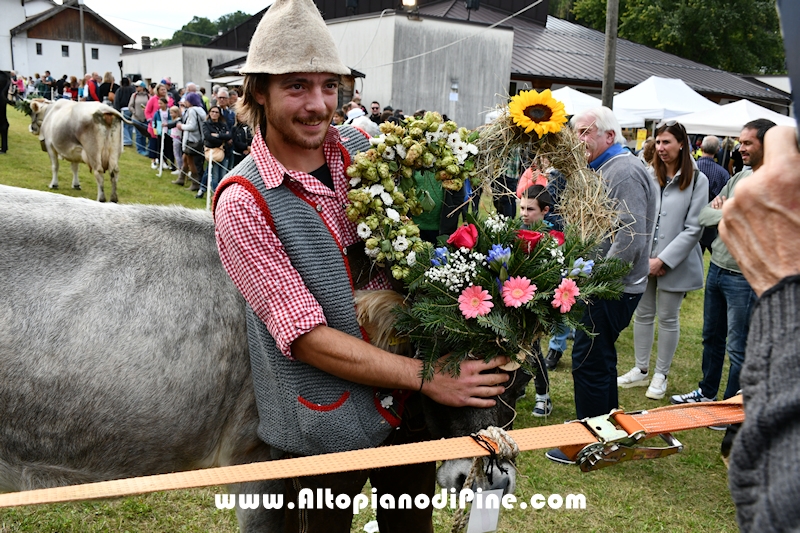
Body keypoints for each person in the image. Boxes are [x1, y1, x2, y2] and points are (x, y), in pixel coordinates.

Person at [212, 0, 510, 530]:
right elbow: (306, 336)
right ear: (258, 91)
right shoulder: (242, 200)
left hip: (409, 412)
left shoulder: (361, 149)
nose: (318, 104)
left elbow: (423, 249)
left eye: (329, 86)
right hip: (323, 420)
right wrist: (430, 377)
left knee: (411, 526)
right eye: (296, 86)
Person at [546, 106, 657, 464]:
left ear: (609, 136)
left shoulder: (622, 170)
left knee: (589, 361)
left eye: (584, 133)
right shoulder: (606, 167)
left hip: (611, 288)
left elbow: (630, 235)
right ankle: (608, 432)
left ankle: (589, 443)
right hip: (610, 285)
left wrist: (596, 283)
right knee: (601, 358)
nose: (577, 140)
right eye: (575, 132)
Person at [670, 119, 776, 407]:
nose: (740, 148)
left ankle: (730, 407)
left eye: (747, 143)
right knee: (711, 337)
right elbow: (705, 216)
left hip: (744, 277)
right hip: (717, 267)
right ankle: (706, 392)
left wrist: (728, 208)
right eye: (740, 142)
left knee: (738, 346)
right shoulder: (741, 178)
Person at [618, 121, 708, 400]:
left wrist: (664, 260)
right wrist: (643, 255)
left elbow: (695, 227)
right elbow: (638, 214)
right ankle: (641, 369)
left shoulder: (697, 180)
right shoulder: (647, 173)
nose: (661, 148)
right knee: (643, 315)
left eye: (666, 142)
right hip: (644, 257)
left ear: (682, 144)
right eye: (658, 142)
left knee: (668, 317)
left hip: (676, 262)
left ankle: (661, 374)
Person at [518, 185, 556, 416]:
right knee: (516, 347)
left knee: (533, 348)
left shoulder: (551, 238)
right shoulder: (516, 230)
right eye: (522, 208)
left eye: (530, 209)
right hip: (516, 297)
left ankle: (543, 396)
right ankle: (519, 385)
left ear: (545, 210)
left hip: (537, 300)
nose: (524, 213)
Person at [694, 135, 730, 254]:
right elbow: (726, 197)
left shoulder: (691, 169)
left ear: (701, 147)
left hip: (692, 217)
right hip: (712, 219)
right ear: (718, 150)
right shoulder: (723, 173)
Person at [196, 105, 231, 199]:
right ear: (209, 113)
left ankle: (203, 190)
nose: (214, 114)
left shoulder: (223, 124)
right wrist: (223, 138)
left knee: (222, 174)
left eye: (217, 112)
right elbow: (209, 137)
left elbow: (229, 135)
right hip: (212, 152)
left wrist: (218, 136)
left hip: (223, 152)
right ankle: (215, 194)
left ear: (220, 114)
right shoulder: (206, 124)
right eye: (212, 112)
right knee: (214, 174)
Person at [176, 98, 207, 192]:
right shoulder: (200, 110)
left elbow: (192, 126)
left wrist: (181, 126)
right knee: (185, 158)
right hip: (198, 139)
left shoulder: (192, 110)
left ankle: (195, 183)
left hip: (191, 140)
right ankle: (181, 179)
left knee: (191, 162)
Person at [128, 81, 151, 157]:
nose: (136, 88)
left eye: (137, 86)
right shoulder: (134, 95)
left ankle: (144, 149)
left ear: (142, 87)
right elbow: (130, 106)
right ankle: (139, 149)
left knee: (145, 134)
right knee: (138, 135)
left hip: (145, 118)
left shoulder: (148, 96)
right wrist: (134, 112)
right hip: (136, 118)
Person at [114, 78, 136, 147]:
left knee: (124, 125)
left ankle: (127, 141)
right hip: (131, 109)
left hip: (123, 109)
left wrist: (117, 110)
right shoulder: (132, 90)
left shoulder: (119, 90)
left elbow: (116, 101)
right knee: (130, 125)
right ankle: (130, 139)